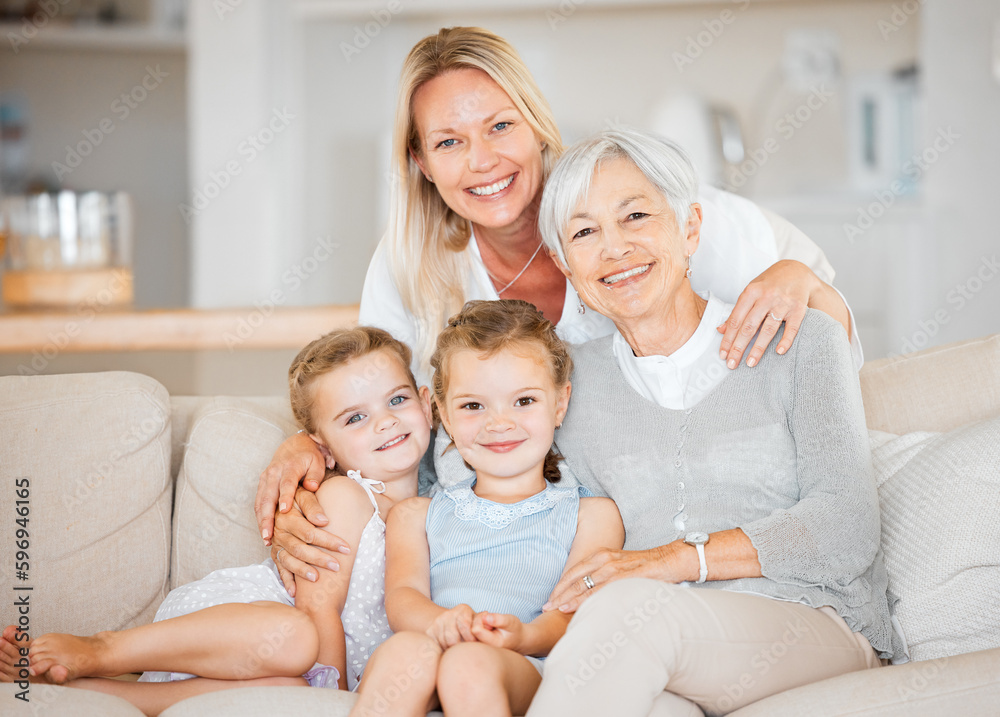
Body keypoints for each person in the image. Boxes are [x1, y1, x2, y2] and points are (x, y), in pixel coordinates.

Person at [255, 26, 863, 589]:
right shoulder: (408, 263)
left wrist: (796, 275)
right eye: (448, 142)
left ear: (538, 125)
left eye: (500, 126)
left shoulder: (635, 202)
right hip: (514, 543)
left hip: (652, 536)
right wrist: (310, 446)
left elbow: (827, 337)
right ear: (422, 163)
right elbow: (370, 401)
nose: (482, 162)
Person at [516, 127, 898, 716]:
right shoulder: (568, 385)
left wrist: (669, 560)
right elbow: (474, 456)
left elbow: (846, 525)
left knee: (628, 613)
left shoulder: (799, 340)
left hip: (812, 622)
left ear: (690, 228)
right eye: (586, 232)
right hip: (668, 647)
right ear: (568, 266)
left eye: (636, 215)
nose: (614, 249)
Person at [0, 327, 433, 715]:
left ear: (427, 404)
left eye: (397, 399)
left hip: (287, 664)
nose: (386, 421)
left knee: (288, 685)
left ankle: (94, 689)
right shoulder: (348, 496)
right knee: (295, 639)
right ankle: (104, 649)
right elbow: (318, 605)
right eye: (356, 417)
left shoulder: (435, 508)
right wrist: (332, 697)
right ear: (320, 445)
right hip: (251, 627)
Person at [349, 299, 624, 717]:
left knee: (468, 663)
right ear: (442, 413)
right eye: (473, 406)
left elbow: (575, 615)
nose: (499, 423)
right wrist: (437, 623)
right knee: (406, 649)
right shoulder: (416, 515)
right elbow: (404, 597)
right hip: (432, 643)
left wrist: (522, 636)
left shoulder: (591, 515)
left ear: (560, 403)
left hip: (524, 663)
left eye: (524, 401)